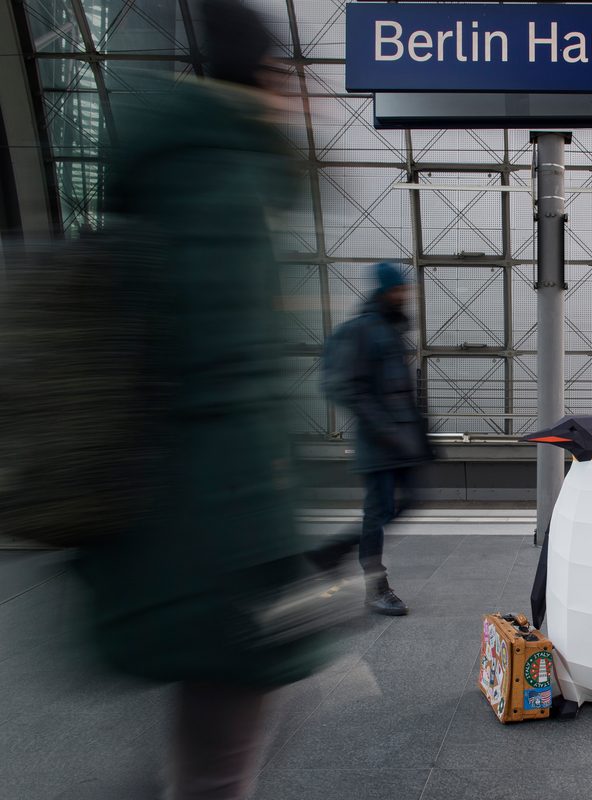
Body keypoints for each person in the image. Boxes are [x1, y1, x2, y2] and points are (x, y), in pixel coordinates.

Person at [72, 1, 330, 798]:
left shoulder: (176, 171)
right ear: (261, 78)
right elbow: (230, 387)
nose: (305, 96)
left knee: (210, 748)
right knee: (223, 759)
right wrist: (273, 558)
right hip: (213, 532)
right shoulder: (223, 183)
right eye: (291, 76)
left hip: (160, 518)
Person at [322, 261, 435, 616]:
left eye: (405, 290)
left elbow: (401, 393)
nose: (404, 296)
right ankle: (375, 586)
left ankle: (335, 550)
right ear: (383, 292)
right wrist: (385, 428)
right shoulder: (360, 331)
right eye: (398, 290)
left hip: (400, 443)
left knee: (409, 502)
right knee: (378, 512)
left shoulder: (390, 330)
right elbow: (343, 386)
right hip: (379, 443)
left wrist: (420, 437)